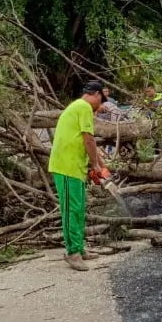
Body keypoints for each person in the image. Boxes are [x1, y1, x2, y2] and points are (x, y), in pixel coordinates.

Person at [48, 81, 107, 271]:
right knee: (70, 210)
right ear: (96, 95)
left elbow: (88, 142)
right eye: (101, 100)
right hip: (66, 166)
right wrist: (96, 165)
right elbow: (88, 138)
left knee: (79, 208)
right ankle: (72, 252)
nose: (101, 105)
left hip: (75, 167)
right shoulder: (84, 107)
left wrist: (102, 167)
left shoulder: (78, 107)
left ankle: (80, 248)